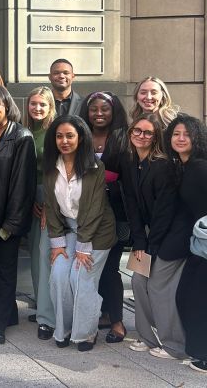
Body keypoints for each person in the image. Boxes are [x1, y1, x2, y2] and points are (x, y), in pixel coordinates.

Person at [43, 115, 116, 351]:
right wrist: (58, 245)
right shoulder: (50, 166)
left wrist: (83, 248)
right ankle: (63, 329)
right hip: (69, 229)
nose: (64, 140)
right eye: (59, 136)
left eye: (70, 135)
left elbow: (95, 210)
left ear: (81, 137)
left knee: (81, 277)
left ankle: (86, 333)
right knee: (58, 275)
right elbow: (51, 207)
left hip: (97, 232)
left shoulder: (95, 167)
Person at [122, 113, 188, 360]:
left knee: (159, 287)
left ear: (156, 137)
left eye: (148, 132)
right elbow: (131, 205)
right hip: (150, 237)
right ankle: (147, 337)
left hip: (171, 236)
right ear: (130, 133)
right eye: (137, 131)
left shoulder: (162, 166)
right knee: (138, 282)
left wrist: (150, 246)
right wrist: (139, 242)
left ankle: (174, 345)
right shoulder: (129, 162)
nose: (141, 136)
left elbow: (165, 212)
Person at [0, 85, 36, 344]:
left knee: (4, 271)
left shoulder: (22, 136)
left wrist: (11, 224)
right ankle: (9, 312)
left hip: (7, 220)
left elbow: (23, 185)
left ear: (6, 104)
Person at [78, 92, 129, 344]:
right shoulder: (79, 137)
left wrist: (107, 184)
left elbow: (129, 179)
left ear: (114, 111)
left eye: (104, 109)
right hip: (87, 214)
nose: (99, 113)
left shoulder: (124, 139)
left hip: (116, 214)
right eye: (93, 109)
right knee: (91, 267)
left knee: (110, 268)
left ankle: (118, 321)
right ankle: (102, 314)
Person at [169, 115, 207, 373]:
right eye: (176, 134)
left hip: (204, 243)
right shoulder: (184, 166)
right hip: (199, 242)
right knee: (188, 297)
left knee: (194, 298)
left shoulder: (200, 167)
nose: (181, 138)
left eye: (187, 134)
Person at [24, 86, 56, 339]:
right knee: (35, 254)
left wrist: (48, 202)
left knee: (46, 254)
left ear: (50, 107)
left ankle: (49, 315)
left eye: (42, 104)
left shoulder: (54, 132)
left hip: (49, 195)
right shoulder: (25, 130)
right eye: (33, 103)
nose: (37, 108)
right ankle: (41, 305)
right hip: (29, 197)